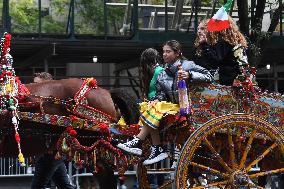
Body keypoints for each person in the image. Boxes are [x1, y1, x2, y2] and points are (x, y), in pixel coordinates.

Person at [117, 41, 213, 165]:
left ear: (177, 53)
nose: (164, 54)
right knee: (146, 105)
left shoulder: (188, 65)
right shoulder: (162, 73)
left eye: (168, 52)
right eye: (164, 52)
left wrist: (190, 75)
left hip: (186, 106)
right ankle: (155, 147)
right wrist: (156, 99)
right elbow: (161, 93)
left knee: (157, 106)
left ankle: (139, 141)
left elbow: (209, 75)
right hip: (171, 105)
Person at [31, 72, 75, 189]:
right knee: (63, 185)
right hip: (50, 151)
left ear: (47, 85)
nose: (32, 88)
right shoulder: (40, 103)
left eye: (36, 85)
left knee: (37, 186)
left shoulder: (54, 103)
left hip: (51, 151)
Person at [194, 17, 248, 86]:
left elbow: (214, 61)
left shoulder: (224, 42)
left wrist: (205, 44)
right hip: (238, 81)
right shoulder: (235, 42)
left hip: (230, 83)